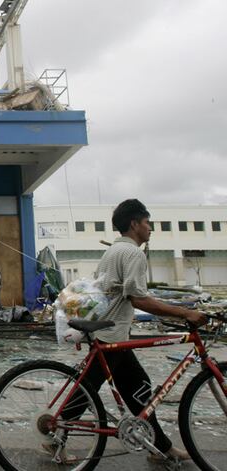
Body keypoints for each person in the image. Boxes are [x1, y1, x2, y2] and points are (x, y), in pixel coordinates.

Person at [59, 199, 207, 464]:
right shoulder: (134, 254)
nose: (150, 228)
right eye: (147, 223)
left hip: (112, 331)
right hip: (112, 334)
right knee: (88, 391)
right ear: (134, 224)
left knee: (139, 388)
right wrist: (185, 312)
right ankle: (55, 435)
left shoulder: (112, 252)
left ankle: (160, 448)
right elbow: (138, 299)